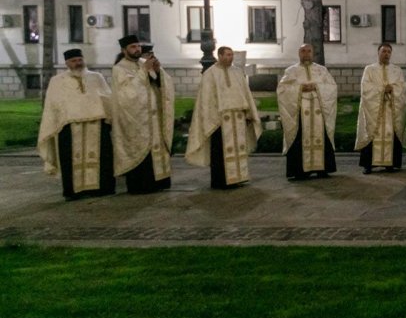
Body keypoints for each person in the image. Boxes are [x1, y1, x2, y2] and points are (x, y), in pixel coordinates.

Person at [37, 48, 116, 200]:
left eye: (80, 60)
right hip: (69, 127)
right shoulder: (57, 81)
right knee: (70, 159)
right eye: (74, 61)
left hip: (96, 125)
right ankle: (74, 191)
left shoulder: (96, 77)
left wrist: (107, 114)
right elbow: (53, 105)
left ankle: (103, 188)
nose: (78, 63)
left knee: (103, 157)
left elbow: (107, 98)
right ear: (67, 63)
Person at [185, 46, 262, 189]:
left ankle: (238, 177)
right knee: (219, 152)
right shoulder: (210, 74)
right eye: (227, 55)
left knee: (239, 149)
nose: (230, 58)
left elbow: (245, 94)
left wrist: (248, 113)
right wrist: (213, 117)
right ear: (219, 56)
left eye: (231, 55)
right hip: (220, 120)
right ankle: (221, 181)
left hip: (238, 119)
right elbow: (206, 99)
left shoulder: (237, 72)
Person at [111, 35, 175, 194]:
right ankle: (142, 186)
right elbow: (126, 93)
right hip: (136, 119)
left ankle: (159, 182)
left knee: (157, 149)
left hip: (154, 117)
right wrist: (144, 71)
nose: (137, 49)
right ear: (124, 50)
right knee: (141, 150)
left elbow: (163, 84)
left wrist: (158, 72)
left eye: (138, 46)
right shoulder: (119, 68)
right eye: (133, 47)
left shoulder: (143, 63)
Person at [277, 43, 338, 180]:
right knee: (299, 137)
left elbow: (332, 87)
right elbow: (282, 90)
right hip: (300, 112)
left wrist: (317, 87)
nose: (306, 54)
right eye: (303, 51)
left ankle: (322, 169)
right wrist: (300, 88)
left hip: (319, 110)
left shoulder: (322, 70)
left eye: (309, 51)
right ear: (299, 53)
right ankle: (300, 171)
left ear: (313, 53)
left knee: (322, 136)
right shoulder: (291, 71)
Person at [354, 43, 406, 174]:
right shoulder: (369, 69)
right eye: (383, 51)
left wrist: (392, 89)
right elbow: (365, 88)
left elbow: (402, 87)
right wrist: (383, 89)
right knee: (372, 131)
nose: (386, 54)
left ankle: (390, 164)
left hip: (391, 109)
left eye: (389, 52)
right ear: (378, 53)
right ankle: (369, 165)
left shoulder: (397, 70)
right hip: (373, 110)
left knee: (391, 133)